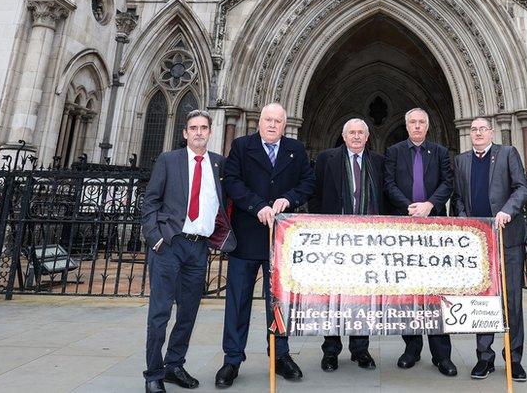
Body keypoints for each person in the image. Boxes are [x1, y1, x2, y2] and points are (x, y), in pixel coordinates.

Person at [216, 103, 315, 388]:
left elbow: (309, 182)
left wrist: (289, 198)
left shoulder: (295, 149)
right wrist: (256, 205)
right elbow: (232, 181)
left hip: (280, 241)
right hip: (247, 236)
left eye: (278, 121)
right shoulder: (241, 146)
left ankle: (280, 355)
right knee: (238, 301)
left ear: (285, 125)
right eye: (268, 120)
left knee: (278, 302)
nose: (272, 125)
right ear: (259, 122)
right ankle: (232, 359)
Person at [141, 110, 235, 393]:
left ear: (210, 131)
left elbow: (227, 201)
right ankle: (153, 374)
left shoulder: (219, 164)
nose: (198, 132)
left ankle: (174, 365)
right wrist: (154, 237)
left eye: (203, 128)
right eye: (193, 128)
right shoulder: (169, 160)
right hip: (169, 244)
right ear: (185, 133)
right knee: (160, 313)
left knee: (188, 312)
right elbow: (151, 201)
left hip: (198, 248)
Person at [453, 117, 527, 382]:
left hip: (508, 239)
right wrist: (465, 220)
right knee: (482, 300)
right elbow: (459, 198)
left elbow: (522, 188)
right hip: (479, 242)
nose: (477, 133)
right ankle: (484, 358)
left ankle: (514, 358)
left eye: (482, 129)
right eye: (473, 129)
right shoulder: (462, 160)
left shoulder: (507, 153)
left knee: (511, 300)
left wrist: (507, 211)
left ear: (491, 132)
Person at [383, 107, 457, 377]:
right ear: (406, 125)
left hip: (434, 227)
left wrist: (429, 205)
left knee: (436, 292)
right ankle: (411, 348)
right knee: (408, 292)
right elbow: (388, 183)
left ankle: (442, 355)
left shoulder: (439, 152)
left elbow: (447, 183)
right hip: (404, 226)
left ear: (427, 125)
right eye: (412, 122)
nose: (416, 126)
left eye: (421, 122)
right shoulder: (394, 151)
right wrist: (409, 207)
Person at [309, 118, 384, 372]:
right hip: (335, 240)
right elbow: (316, 197)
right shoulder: (326, 159)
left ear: (367, 137)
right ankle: (331, 351)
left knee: (362, 297)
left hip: (367, 242)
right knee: (333, 297)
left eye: (360, 133)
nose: (356, 137)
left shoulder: (378, 162)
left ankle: (360, 350)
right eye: (351, 132)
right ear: (343, 136)